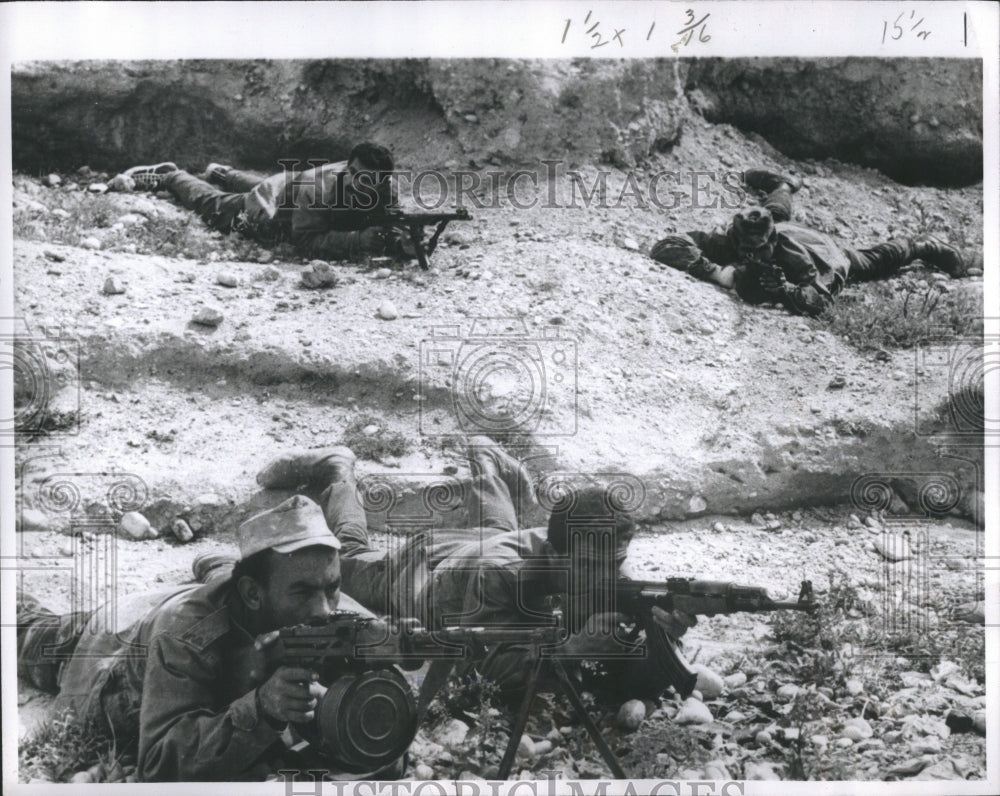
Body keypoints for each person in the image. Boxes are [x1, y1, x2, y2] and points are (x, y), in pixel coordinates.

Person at [234, 437, 697, 704]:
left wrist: (661, 630)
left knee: (498, 527)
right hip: (422, 571)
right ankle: (337, 470)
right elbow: (481, 667)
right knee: (351, 554)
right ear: (558, 556)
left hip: (499, 547)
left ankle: (485, 456)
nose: (611, 580)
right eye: (599, 569)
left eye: (616, 565)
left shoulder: (594, 556)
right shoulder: (500, 577)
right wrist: (574, 647)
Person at [16, 495, 404, 782]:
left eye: (333, 587)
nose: (324, 609)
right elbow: (158, 767)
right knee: (21, 626)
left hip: (183, 605)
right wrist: (262, 709)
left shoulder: (320, 600)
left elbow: (383, 743)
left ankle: (211, 563)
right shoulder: (186, 637)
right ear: (254, 592)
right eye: (302, 592)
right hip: (106, 652)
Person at [650, 167, 981, 316]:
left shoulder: (796, 260)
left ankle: (936, 250)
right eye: (744, 249)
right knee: (774, 212)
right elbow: (667, 245)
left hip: (828, 251)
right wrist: (715, 272)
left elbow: (821, 297)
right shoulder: (734, 241)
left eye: (758, 251)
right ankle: (783, 184)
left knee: (884, 256)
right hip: (782, 228)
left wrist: (786, 292)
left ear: (770, 245)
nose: (750, 256)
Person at [108, 142, 408, 261]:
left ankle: (223, 173)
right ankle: (172, 175)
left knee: (280, 185)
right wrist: (358, 240)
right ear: (347, 167)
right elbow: (305, 241)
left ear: (381, 180)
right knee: (217, 206)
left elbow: (394, 220)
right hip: (280, 206)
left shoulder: (386, 187)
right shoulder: (319, 189)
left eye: (366, 179)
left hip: (291, 188)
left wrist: (405, 236)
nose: (357, 181)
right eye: (353, 172)